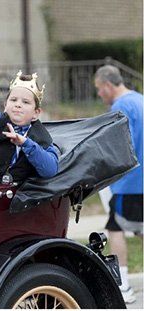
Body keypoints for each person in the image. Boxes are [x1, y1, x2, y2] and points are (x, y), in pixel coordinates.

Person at [94, 65, 143, 304]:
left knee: (115, 228)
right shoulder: (140, 100)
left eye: (98, 89)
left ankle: (123, 286)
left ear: (107, 85)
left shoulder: (120, 107)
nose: (99, 94)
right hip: (141, 180)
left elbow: (121, 146)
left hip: (129, 183)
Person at [0, 70, 58, 185]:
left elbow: (50, 170)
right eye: (13, 100)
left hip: (24, 198)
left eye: (25, 102)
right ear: (6, 105)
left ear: (36, 112)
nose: (18, 104)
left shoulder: (42, 136)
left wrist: (26, 143)